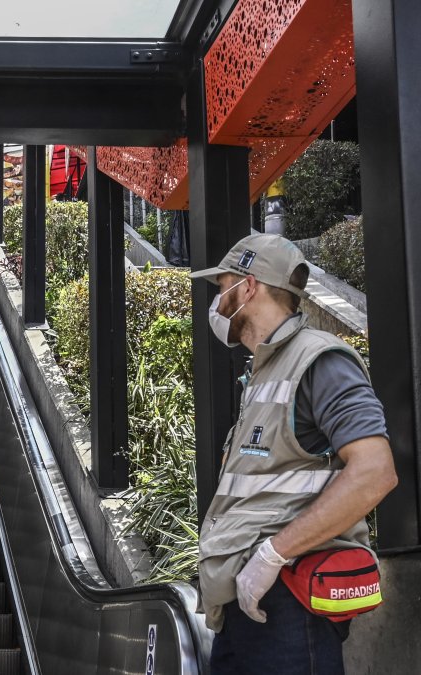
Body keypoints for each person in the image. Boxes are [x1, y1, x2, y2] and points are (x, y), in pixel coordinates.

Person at [191, 233, 397, 674]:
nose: (217, 302)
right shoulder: (265, 370)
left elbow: (375, 472)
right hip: (249, 600)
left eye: (222, 286)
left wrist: (271, 556)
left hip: (289, 599)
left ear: (248, 286)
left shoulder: (318, 360)